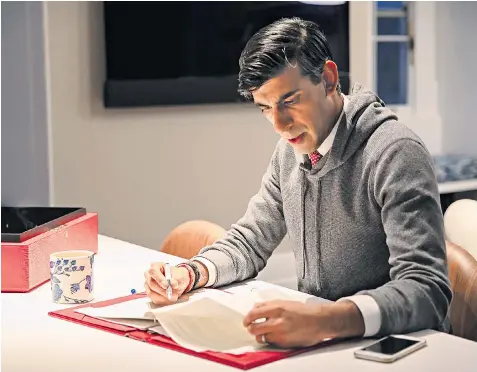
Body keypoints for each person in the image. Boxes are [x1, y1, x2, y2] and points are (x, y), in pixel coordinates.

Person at [144, 17, 452, 348]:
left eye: (289, 101)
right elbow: (251, 240)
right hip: (327, 341)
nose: (279, 124)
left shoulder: (395, 153)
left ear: (329, 79)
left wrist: (325, 320)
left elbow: (426, 289)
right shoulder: (290, 151)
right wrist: (192, 273)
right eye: (265, 108)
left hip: (400, 347)